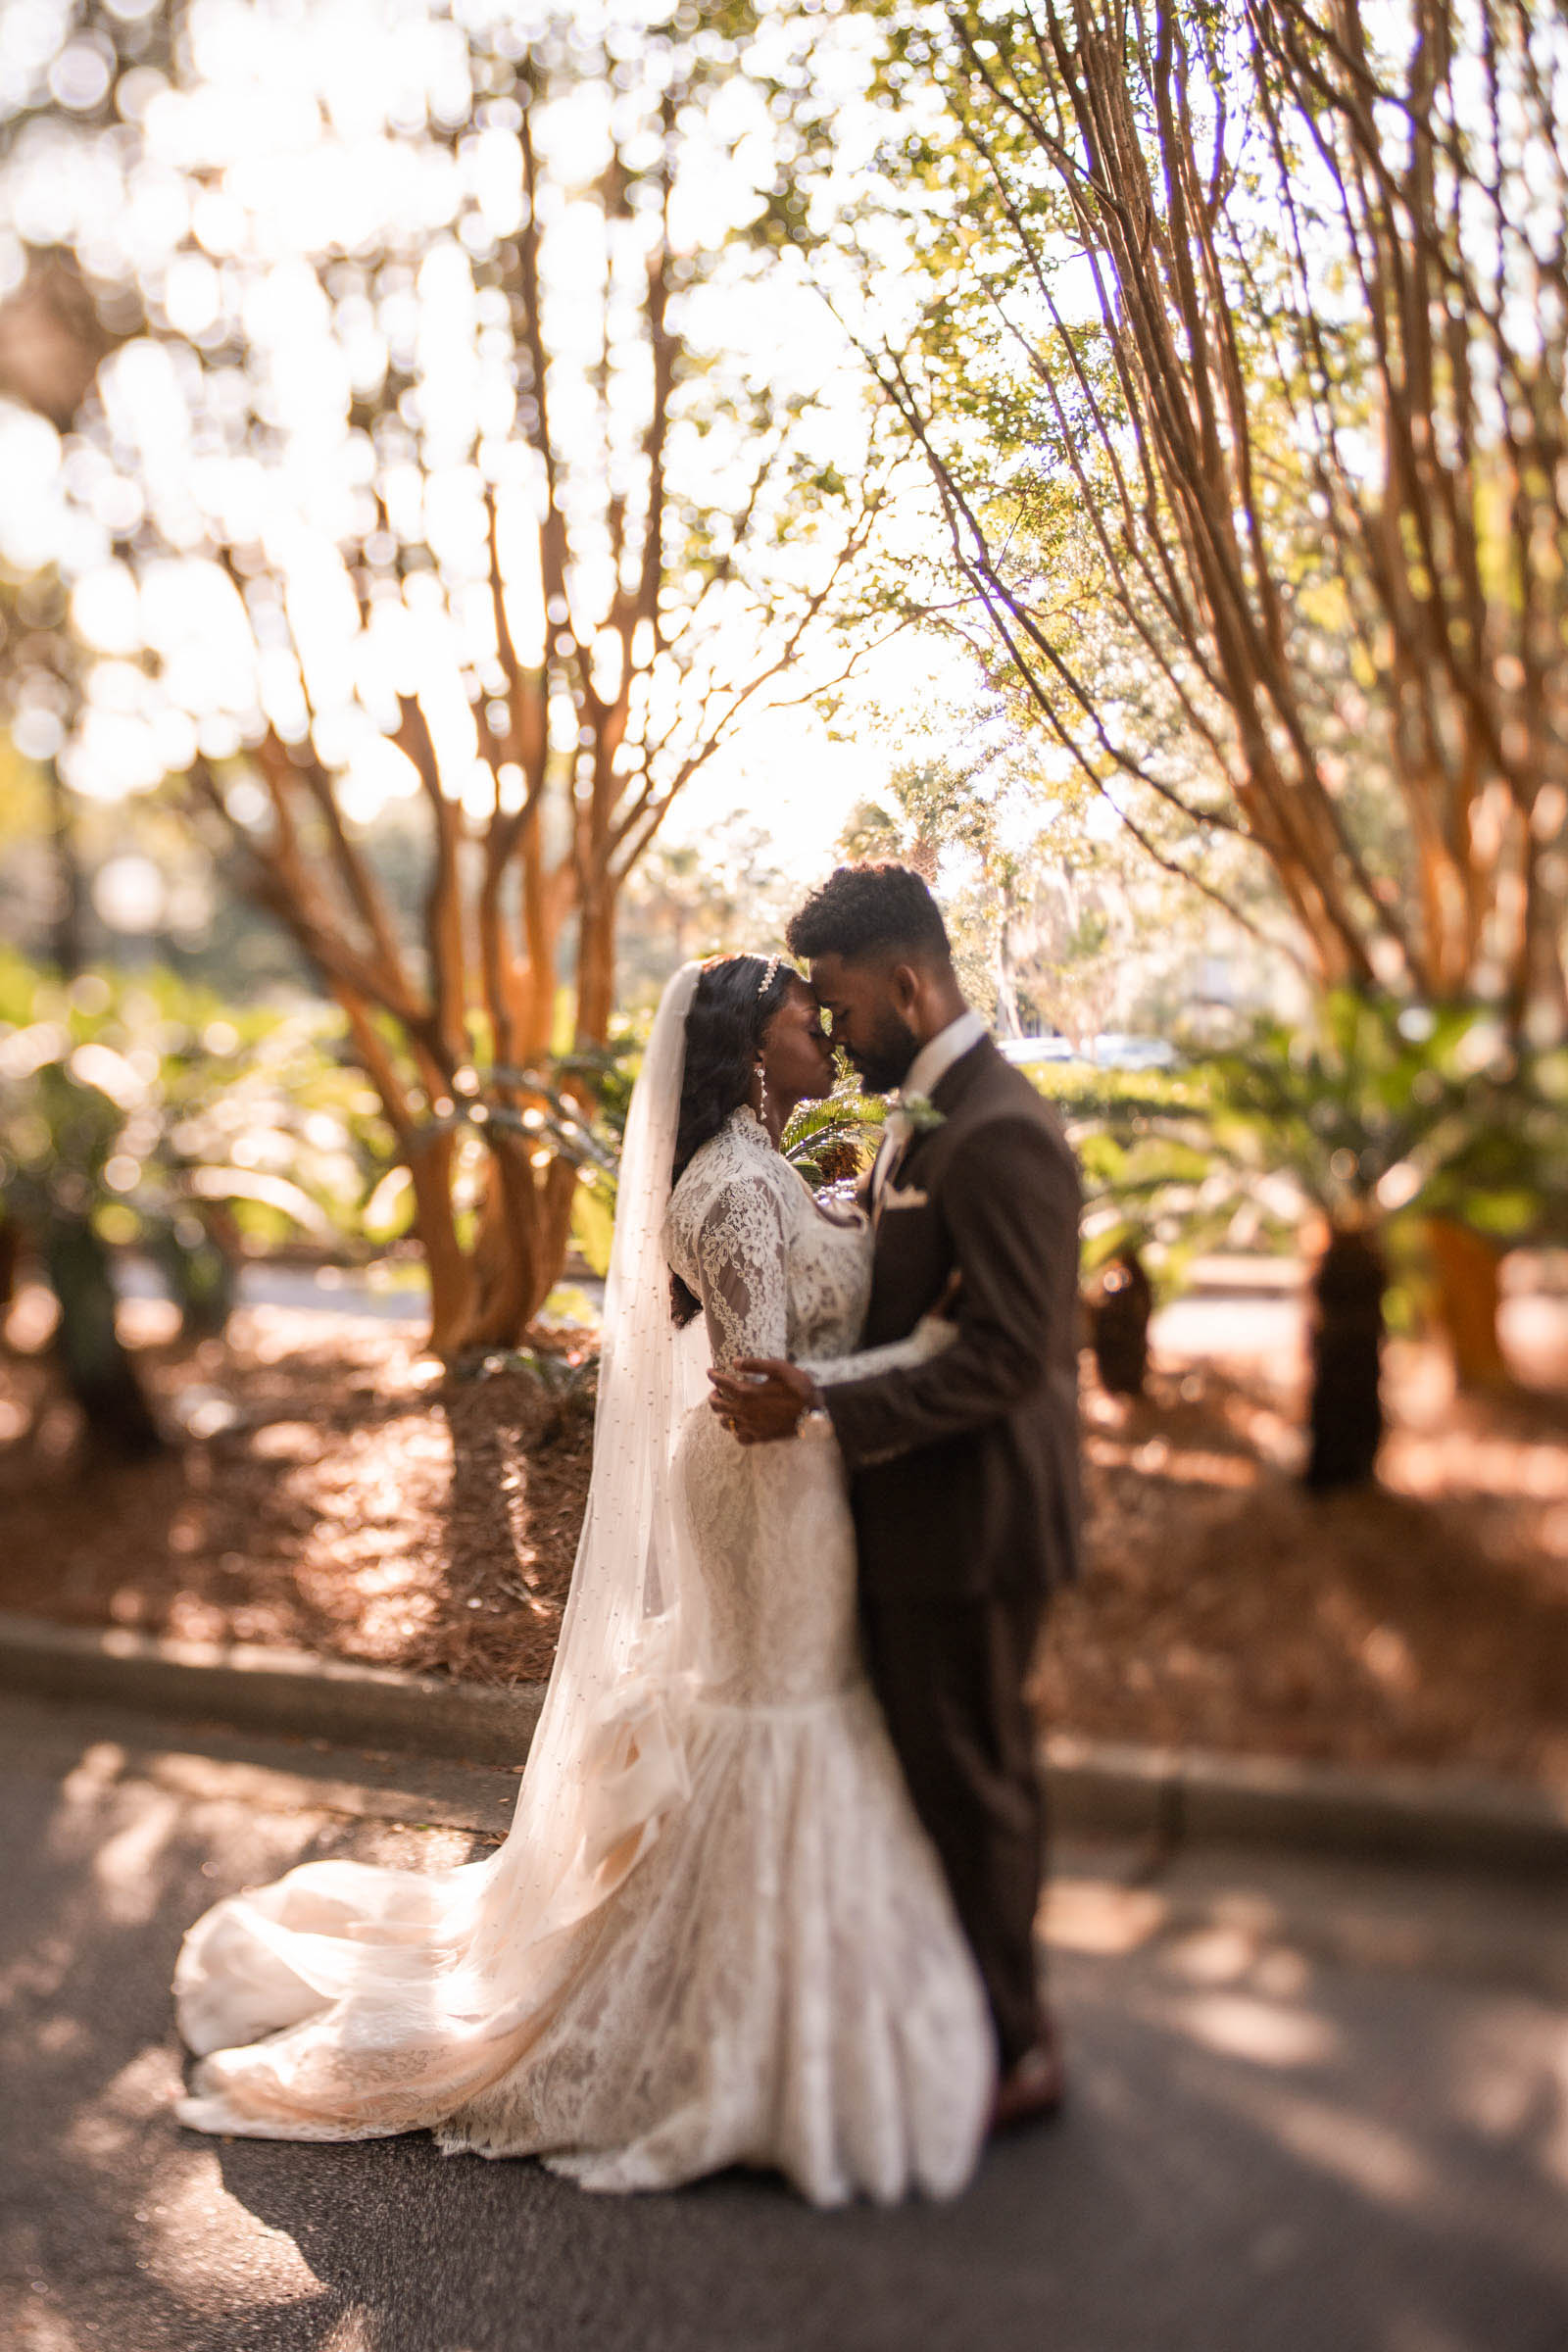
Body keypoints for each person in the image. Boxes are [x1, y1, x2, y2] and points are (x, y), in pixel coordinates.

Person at [172, 954, 994, 2206]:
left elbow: (784, 1297)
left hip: (788, 1481)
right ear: (746, 1046)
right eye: (797, 1017)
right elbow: (766, 1381)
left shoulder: (755, 1163)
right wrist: (899, 1353)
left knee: (788, 1717)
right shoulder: (723, 1188)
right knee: (774, 1719)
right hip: (771, 1493)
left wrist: (841, 1215)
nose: (820, 1029)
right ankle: (727, 2034)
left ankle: (785, 2012)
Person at [711, 865, 1083, 2129]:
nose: (831, 1025)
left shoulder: (1001, 1130)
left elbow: (1008, 1355)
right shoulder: (919, 1117)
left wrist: (819, 1398)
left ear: (909, 985)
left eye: (842, 1002)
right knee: (937, 1777)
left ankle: (1018, 2046)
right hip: (911, 1518)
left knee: (976, 1785)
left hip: (974, 1524)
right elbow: (911, 1276)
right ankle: (965, 2016)